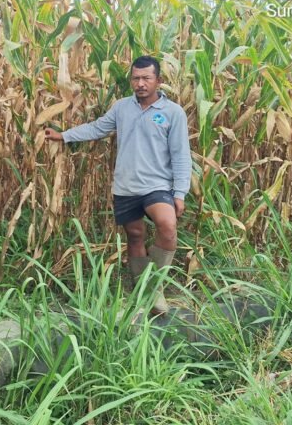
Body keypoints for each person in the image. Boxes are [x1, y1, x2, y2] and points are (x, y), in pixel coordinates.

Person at [44, 55, 191, 314]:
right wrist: (64, 136)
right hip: (125, 186)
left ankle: (155, 288)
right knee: (135, 236)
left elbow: (181, 155)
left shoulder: (172, 113)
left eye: (146, 78)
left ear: (159, 80)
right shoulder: (122, 108)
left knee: (167, 227)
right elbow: (97, 128)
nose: (140, 83)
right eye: (136, 78)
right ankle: (141, 291)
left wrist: (179, 193)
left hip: (157, 185)